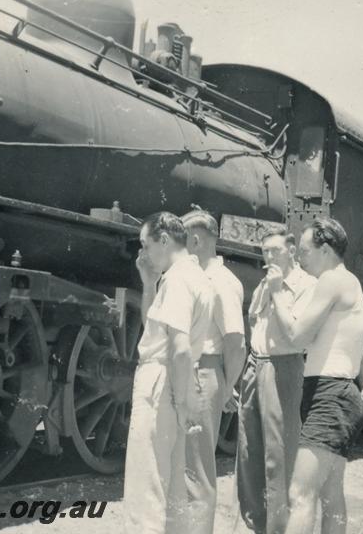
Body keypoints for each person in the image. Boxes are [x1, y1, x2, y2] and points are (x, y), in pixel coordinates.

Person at [266, 217, 363, 534]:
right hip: (338, 393)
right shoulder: (352, 287)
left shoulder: (332, 281)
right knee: (330, 495)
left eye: (305, 250)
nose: (300, 257)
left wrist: (277, 292)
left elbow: (297, 336)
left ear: (326, 249)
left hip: (328, 395)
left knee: (300, 494)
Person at [123, 211, 215, 534]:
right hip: (177, 378)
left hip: (162, 382)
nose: (143, 254)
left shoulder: (177, 280)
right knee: (172, 486)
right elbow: (158, 330)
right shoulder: (195, 278)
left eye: (145, 245)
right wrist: (148, 284)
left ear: (163, 240)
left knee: (146, 486)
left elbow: (178, 348)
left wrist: (178, 403)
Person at [235, 223, 316, 534]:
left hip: (284, 368)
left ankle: (278, 528)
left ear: (292, 250)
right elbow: (253, 321)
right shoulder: (264, 283)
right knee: (248, 450)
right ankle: (255, 524)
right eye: (264, 251)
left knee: (279, 457)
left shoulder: (306, 285)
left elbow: (297, 337)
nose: (268, 256)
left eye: (275, 250)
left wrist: (279, 290)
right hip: (256, 366)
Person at [181, 210, 246, 534]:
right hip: (192, 375)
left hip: (204, 375)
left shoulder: (223, 283)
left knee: (197, 474)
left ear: (195, 240)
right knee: (183, 470)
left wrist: (227, 388)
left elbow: (236, 343)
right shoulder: (199, 279)